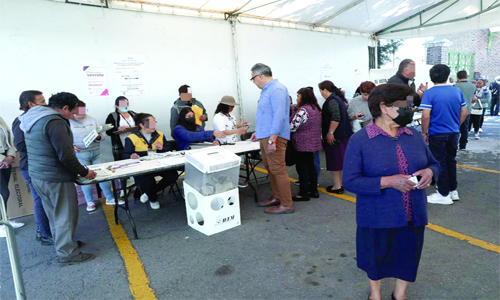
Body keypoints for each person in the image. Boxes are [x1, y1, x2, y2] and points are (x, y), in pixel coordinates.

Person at [343, 83, 440, 300]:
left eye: (411, 106)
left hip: (412, 213)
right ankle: (375, 295)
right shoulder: (360, 140)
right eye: (405, 106)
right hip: (377, 214)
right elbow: (350, 181)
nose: (411, 110)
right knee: (375, 255)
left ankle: (400, 294)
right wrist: (387, 181)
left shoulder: (413, 135)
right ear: (384, 107)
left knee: (408, 254)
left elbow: (434, 163)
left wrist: (430, 172)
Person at [19, 92, 97, 265]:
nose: (74, 115)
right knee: (65, 215)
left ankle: (63, 244)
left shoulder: (35, 117)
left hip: (39, 175)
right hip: (55, 177)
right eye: (73, 111)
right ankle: (68, 254)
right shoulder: (55, 121)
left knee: (54, 214)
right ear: (65, 108)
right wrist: (84, 172)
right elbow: (66, 156)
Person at [249, 63, 294, 214]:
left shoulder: (277, 89)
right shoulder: (268, 91)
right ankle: (277, 197)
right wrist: (259, 132)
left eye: (253, 79)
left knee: (278, 169)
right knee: (271, 169)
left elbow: (279, 116)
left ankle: (287, 204)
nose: (254, 82)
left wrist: (272, 139)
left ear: (259, 76)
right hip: (266, 135)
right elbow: (266, 115)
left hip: (274, 137)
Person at [421, 64, 468, 205]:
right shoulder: (456, 91)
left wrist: (424, 132)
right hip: (454, 132)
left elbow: (425, 116)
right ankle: (453, 191)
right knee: (451, 160)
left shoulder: (429, 93)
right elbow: (464, 113)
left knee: (439, 162)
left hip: (437, 133)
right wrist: (455, 125)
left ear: (431, 76)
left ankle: (443, 193)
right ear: (448, 76)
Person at [12, 90, 51, 244]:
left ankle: (45, 230)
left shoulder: (43, 118)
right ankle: (44, 233)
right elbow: (20, 145)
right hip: (31, 166)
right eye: (41, 101)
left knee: (46, 199)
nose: (45, 104)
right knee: (40, 200)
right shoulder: (21, 121)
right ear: (30, 104)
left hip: (42, 166)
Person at [70, 100, 124, 212]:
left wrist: (99, 137)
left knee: (103, 175)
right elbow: (63, 139)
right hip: (80, 153)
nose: (82, 114)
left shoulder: (92, 120)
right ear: (73, 111)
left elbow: (103, 135)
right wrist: (71, 145)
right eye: (79, 112)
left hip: (96, 151)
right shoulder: (67, 122)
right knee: (86, 178)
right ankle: (89, 202)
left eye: (84, 111)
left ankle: (110, 198)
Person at [123, 113, 179, 210]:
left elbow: (167, 148)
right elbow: (125, 155)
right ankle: (153, 199)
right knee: (148, 182)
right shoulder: (132, 138)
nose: (153, 125)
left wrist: (162, 148)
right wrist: (131, 155)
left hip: (159, 165)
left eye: (154, 122)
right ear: (141, 125)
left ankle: (149, 193)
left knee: (173, 175)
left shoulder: (159, 134)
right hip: (142, 167)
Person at [319, 80, 353, 194]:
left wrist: (330, 132)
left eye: (321, 91)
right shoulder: (338, 98)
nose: (321, 94)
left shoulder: (332, 101)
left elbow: (335, 117)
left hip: (336, 136)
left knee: (335, 161)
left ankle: (337, 186)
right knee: (340, 160)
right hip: (343, 135)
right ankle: (340, 183)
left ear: (325, 90)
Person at [289, 87, 322, 201]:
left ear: (303, 97)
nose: (297, 98)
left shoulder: (303, 110)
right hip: (313, 142)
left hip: (302, 143)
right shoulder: (315, 108)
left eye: (298, 96)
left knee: (302, 168)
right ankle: (313, 190)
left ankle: (303, 193)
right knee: (311, 167)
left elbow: (293, 127)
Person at [105, 96, 137, 197]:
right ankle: (123, 188)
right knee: (122, 167)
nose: (126, 106)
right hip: (120, 145)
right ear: (116, 106)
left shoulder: (133, 114)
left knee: (137, 164)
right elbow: (108, 131)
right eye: (123, 104)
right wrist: (117, 128)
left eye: (127, 103)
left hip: (135, 144)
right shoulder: (112, 116)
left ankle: (138, 184)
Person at [0, 115, 25, 238]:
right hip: (1, 159)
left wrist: (10, 156)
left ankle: (5, 219)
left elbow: (9, 138)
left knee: (5, 192)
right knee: (2, 193)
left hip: (6, 158)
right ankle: (0, 224)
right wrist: (2, 159)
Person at [454, 70, 476, 150]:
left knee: (456, 128)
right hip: (467, 110)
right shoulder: (473, 86)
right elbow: (474, 98)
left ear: (457, 78)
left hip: (456, 111)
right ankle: (463, 145)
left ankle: (454, 144)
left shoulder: (455, 86)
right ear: (467, 77)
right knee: (465, 129)